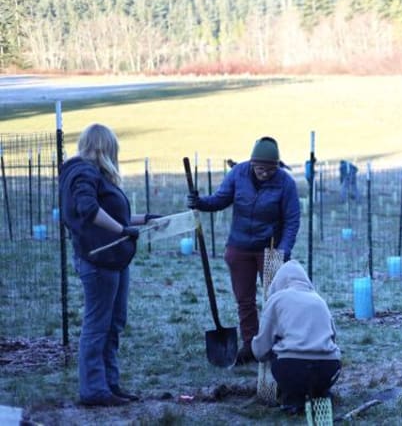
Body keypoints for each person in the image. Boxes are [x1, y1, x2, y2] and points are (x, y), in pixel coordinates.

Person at [60, 124, 160, 407]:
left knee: (114, 323)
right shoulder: (83, 173)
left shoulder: (95, 175)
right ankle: (93, 390)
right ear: (105, 148)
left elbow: (114, 215)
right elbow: (88, 210)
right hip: (98, 261)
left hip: (113, 259)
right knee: (97, 325)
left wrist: (145, 220)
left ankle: (109, 384)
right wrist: (121, 230)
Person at [187, 136, 301, 365]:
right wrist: (199, 202)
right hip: (239, 248)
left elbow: (292, 221)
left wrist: (283, 251)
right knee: (244, 300)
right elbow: (220, 200)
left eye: (270, 169)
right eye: (260, 169)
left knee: (274, 299)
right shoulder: (238, 174)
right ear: (251, 164)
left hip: (270, 250)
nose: (265, 174)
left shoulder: (286, 183)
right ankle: (250, 345)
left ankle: (276, 345)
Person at [252, 260, 341, 415]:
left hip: (292, 369)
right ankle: (320, 393)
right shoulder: (319, 300)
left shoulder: (277, 299)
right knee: (317, 375)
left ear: (279, 281)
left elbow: (261, 349)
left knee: (278, 352)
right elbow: (334, 338)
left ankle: (292, 399)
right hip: (329, 368)